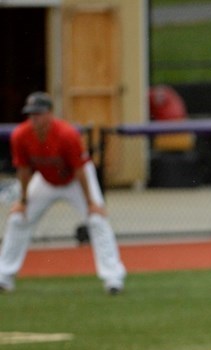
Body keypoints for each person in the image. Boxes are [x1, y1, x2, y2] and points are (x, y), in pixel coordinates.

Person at [0, 92, 127, 294]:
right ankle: (4, 277)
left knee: (96, 220)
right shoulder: (20, 135)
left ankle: (113, 278)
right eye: (31, 114)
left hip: (75, 180)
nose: (34, 118)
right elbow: (23, 170)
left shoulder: (66, 134)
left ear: (50, 113)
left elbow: (79, 170)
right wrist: (23, 200)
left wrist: (91, 202)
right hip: (46, 180)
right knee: (18, 218)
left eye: (39, 113)